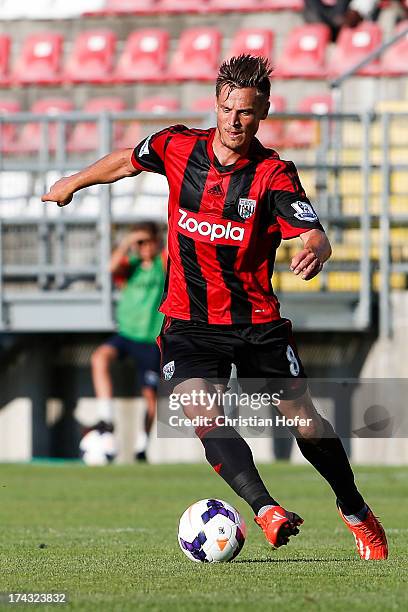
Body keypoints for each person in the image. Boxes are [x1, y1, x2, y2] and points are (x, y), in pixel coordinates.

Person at [42, 54, 388, 560]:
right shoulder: (177, 146)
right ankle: (266, 509)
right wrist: (73, 182)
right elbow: (124, 160)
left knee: (305, 422)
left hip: (256, 324)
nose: (234, 120)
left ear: (263, 111)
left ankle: (355, 510)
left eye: (246, 111)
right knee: (200, 409)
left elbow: (312, 229)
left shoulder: (273, 175)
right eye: (227, 108)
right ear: (217, 102)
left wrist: (317, 246)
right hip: (188, 321)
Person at [89, 222, 165, 461]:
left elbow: (171, 251)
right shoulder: (130, 267)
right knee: (99, 357)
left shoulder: (162, 266)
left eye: (146, 241)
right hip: (127, 334)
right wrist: (127, 242)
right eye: (139, 243)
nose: (143, 247)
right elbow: (111, 267)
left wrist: (152, 237)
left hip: (151, 339)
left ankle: (142, 446)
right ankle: (106, 417)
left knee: (150, 396)